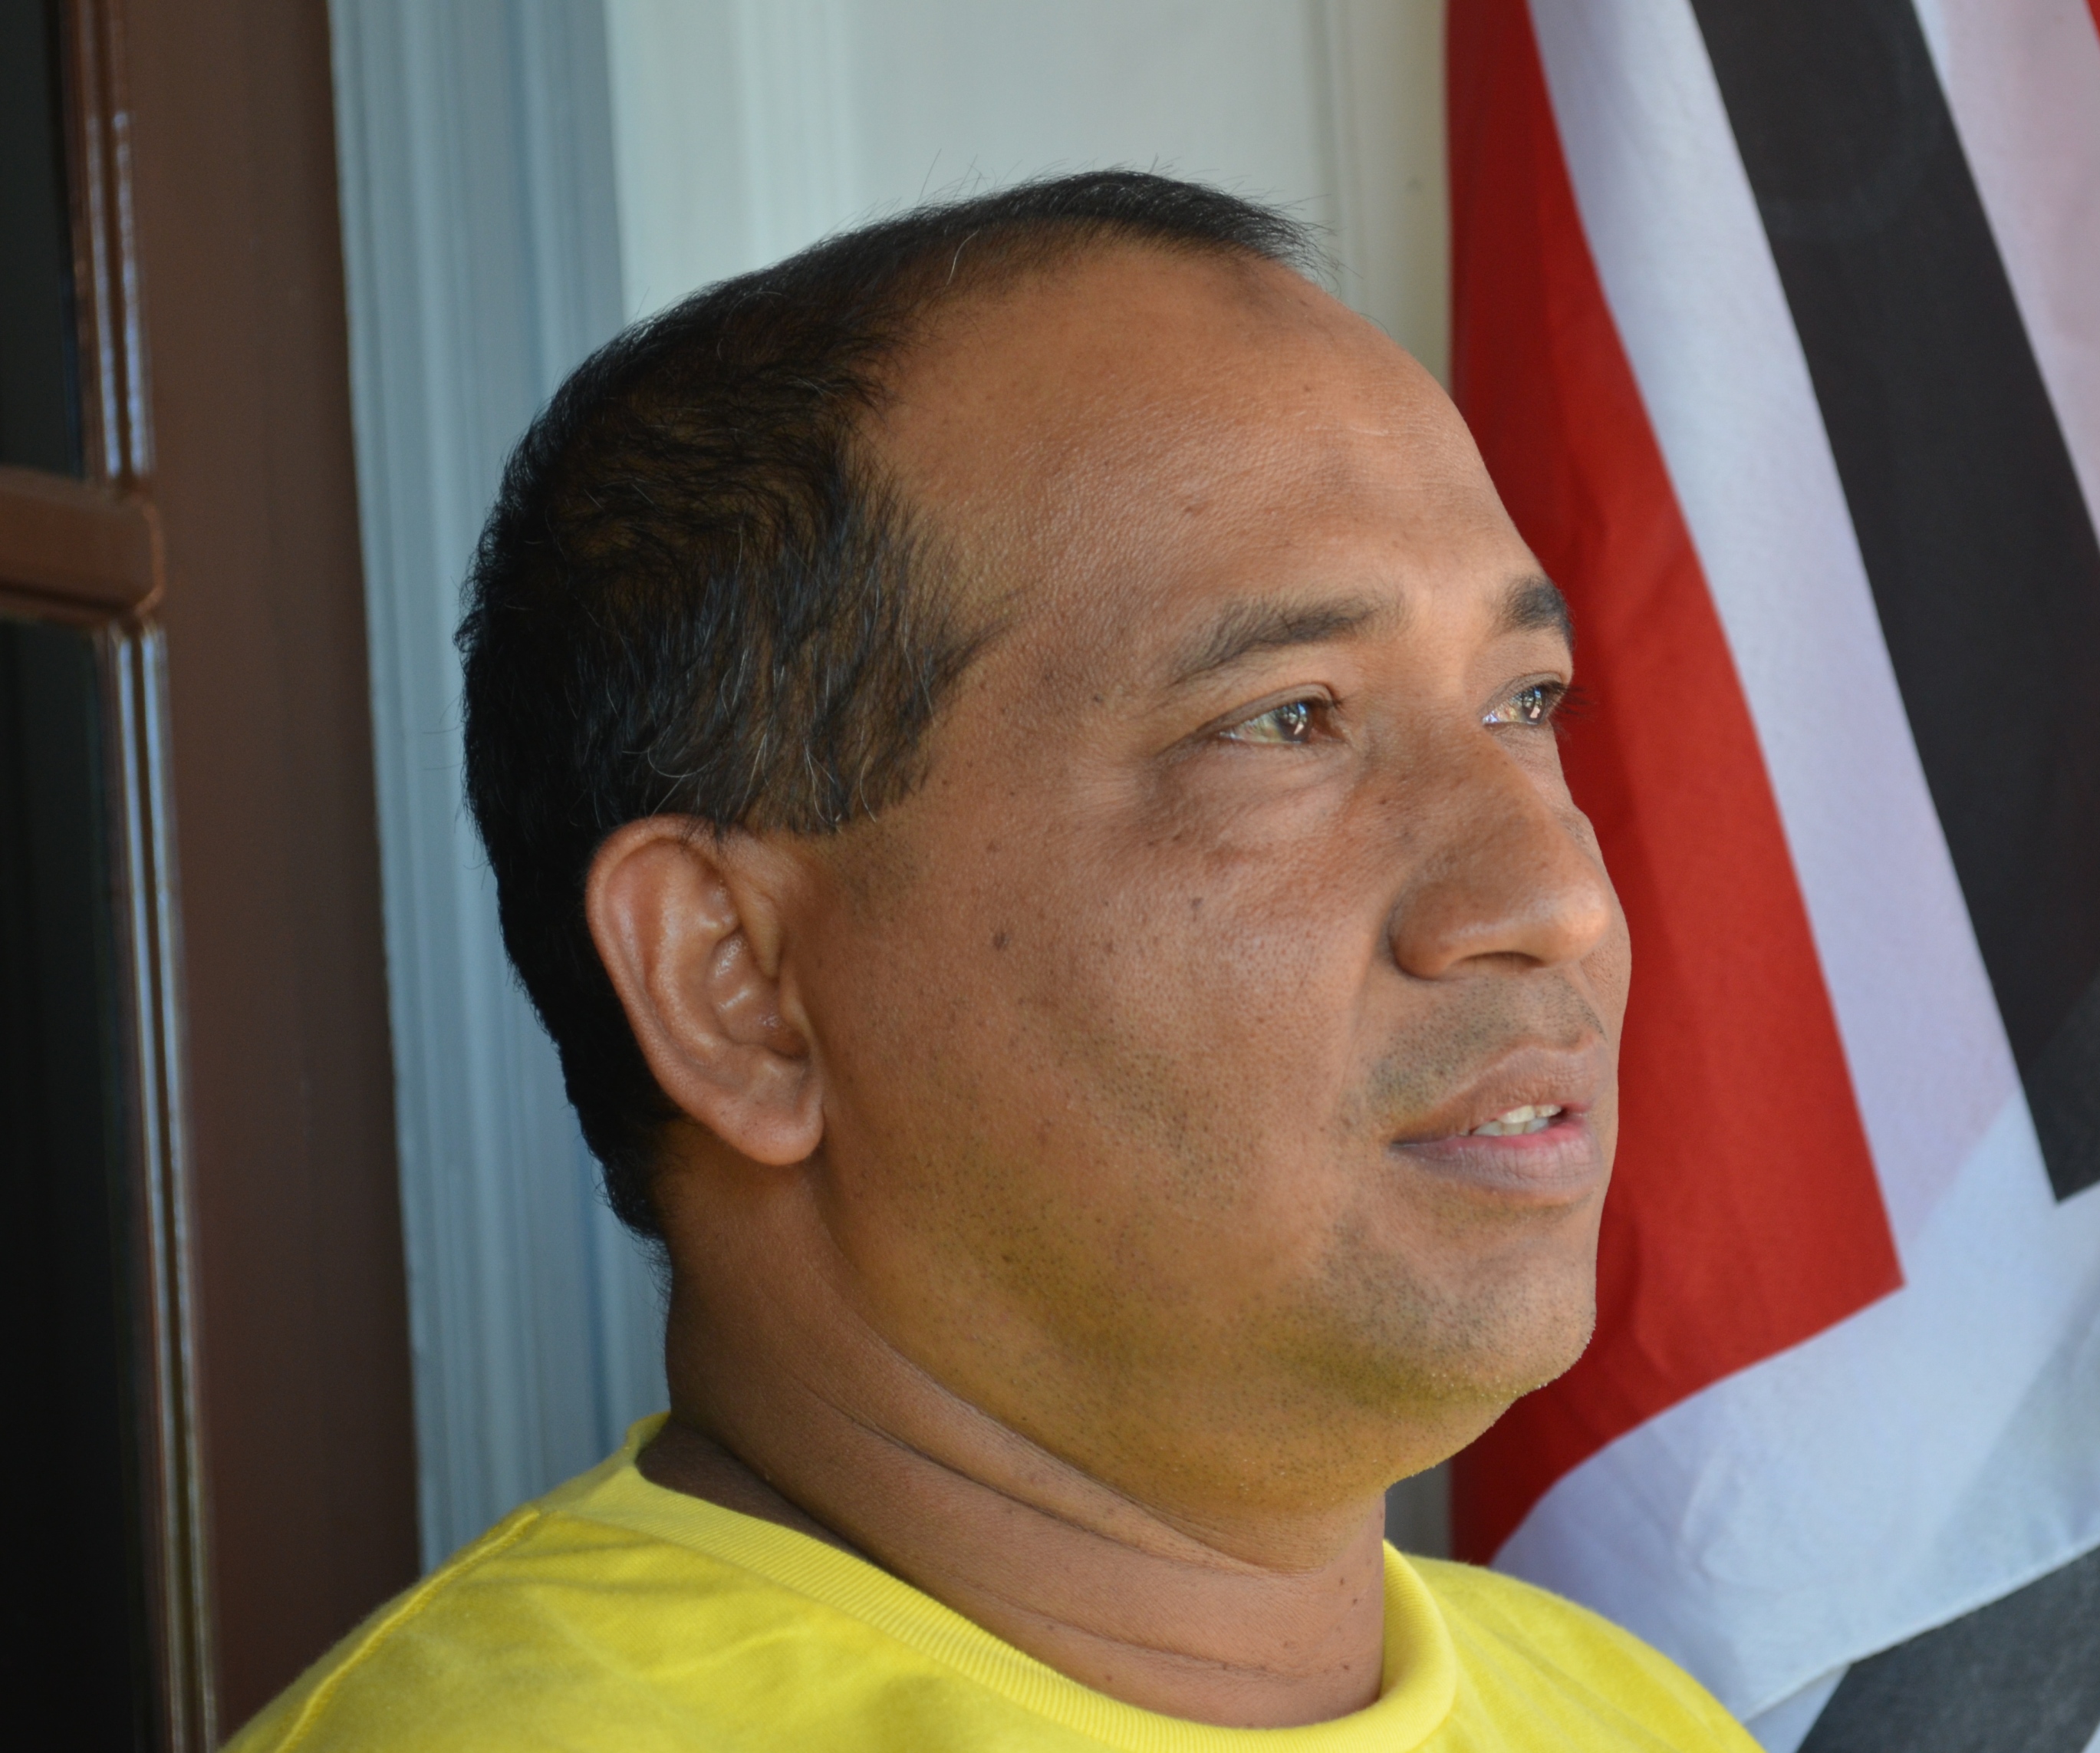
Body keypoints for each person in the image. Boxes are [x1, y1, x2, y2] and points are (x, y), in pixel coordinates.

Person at [229, 171, 1759, 1751]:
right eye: (1286, 720)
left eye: (1524, 700)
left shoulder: (1633, 1714)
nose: (1554, 895)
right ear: (734, 983)